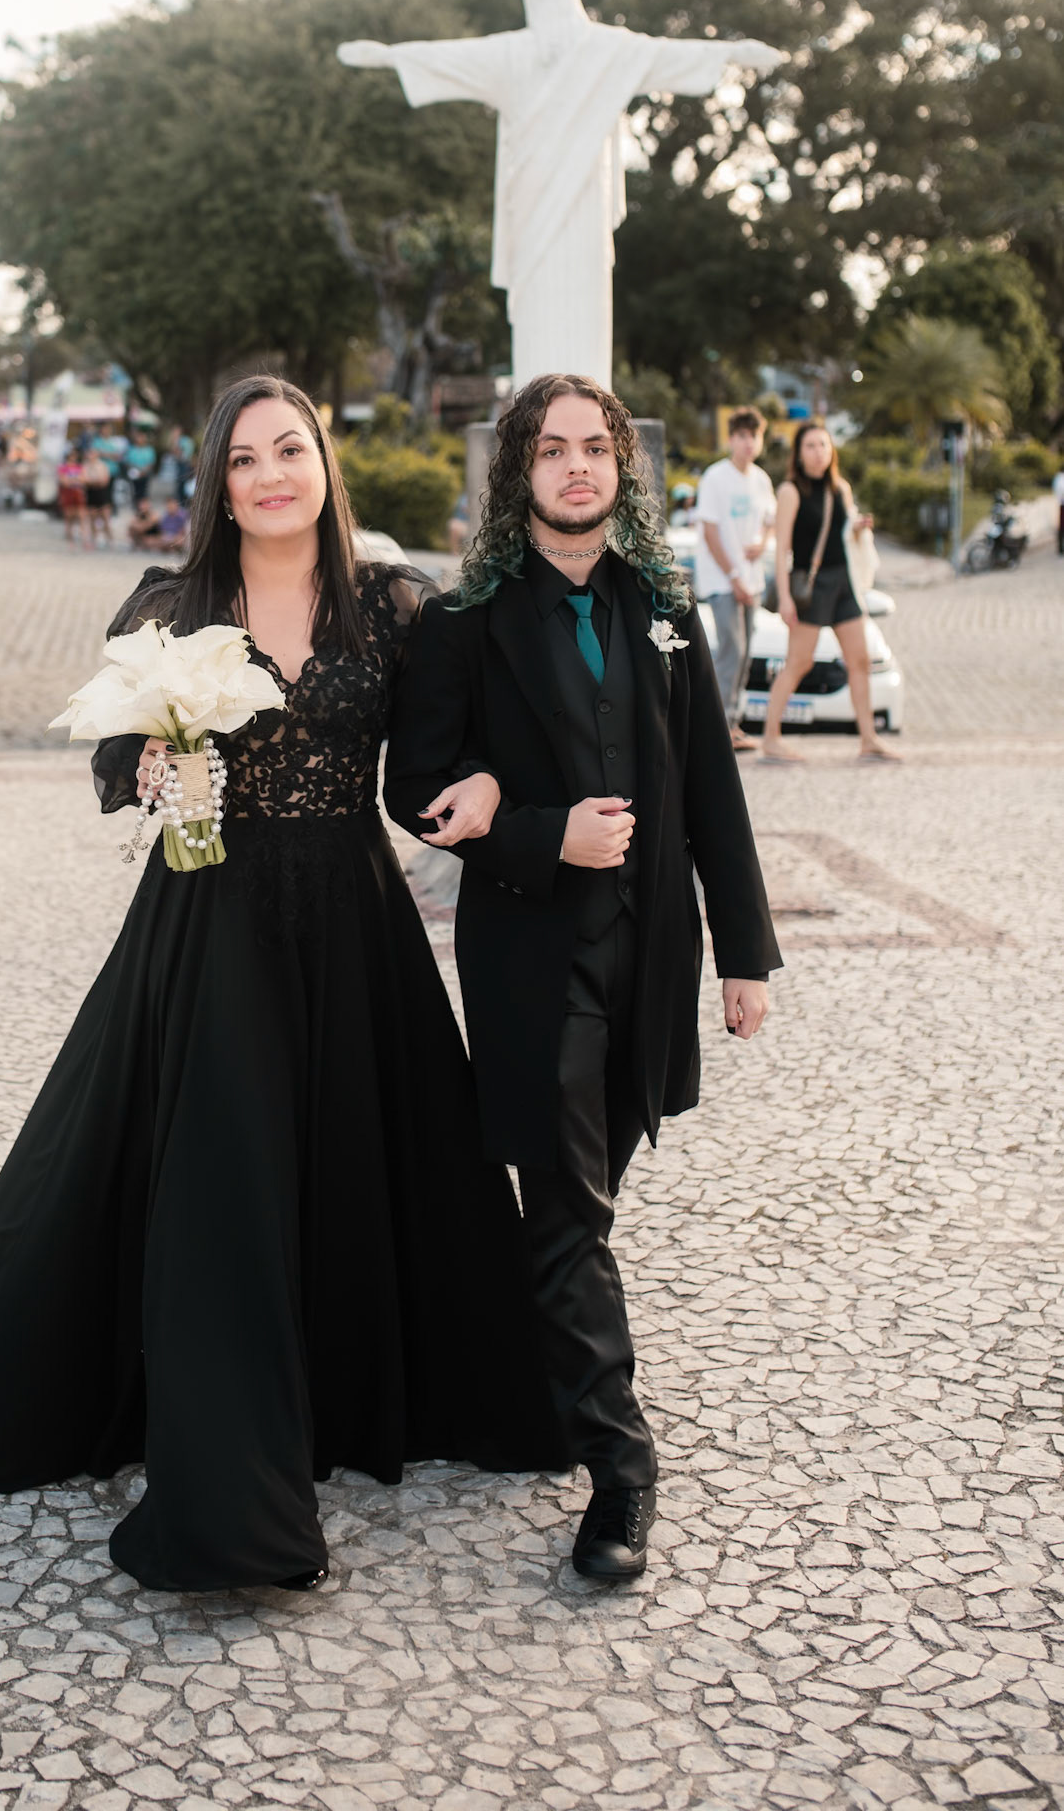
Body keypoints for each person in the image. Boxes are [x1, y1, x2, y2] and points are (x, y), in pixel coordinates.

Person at [0, 374, 567, 1594]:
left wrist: (499, 806)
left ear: (324, 462)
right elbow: (112, 757)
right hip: (208, 923)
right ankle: (229, 1490)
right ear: (216, 480)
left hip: (356, 927)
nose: (269, 473)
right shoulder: (173, 603)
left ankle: (368, 1386)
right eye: (244, 456)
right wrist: (154, 763)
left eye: (290, 448)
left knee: (376, 1160)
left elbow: (445, 756)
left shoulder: (392, 603)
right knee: (225, 1177)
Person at [385, 373, 781, 1586]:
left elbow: (711, 786)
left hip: (648, 960)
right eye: (550, 449)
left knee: (582, 1208)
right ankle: (621, 1468)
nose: (574, 467)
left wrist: (747, 947)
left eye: (592, 447)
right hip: (532, 966)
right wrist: (538, 834)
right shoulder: (465, 621)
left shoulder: (663, 610)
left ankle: (521, 1384)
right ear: (519, 474)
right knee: (563, 1212)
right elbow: (417, 790)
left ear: (620, 466)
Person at [760, 422, 898, 763]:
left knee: (860, 660)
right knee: (799, 662)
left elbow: (840, 535)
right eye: (810, 446)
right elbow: (783, 549)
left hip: (843, 584)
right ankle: (771, 738)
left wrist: (856, 527)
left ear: (831, 449)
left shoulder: (841, 489)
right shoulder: (791, 491)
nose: (818, 451)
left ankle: (868, 739)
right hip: (811, 585)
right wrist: (786, 597)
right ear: (799, 453)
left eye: (823, 444)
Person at [693, 408, 775, 754]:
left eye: (753, 436)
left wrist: (763, 541)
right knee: (732, 650)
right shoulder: (715, 478)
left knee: (744, 656)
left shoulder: (760, 479)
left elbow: (770, 518)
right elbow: (710, 532)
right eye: (742, 436)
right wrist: (733, 575)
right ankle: (718, 725)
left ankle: (734, 722)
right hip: (723, 581)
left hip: (752, 580)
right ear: (731, 439)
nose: (748, 443)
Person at [56, 444, 90, 548]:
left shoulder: (79, 467)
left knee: (81, 516)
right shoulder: (63, 467)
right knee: (69, 517)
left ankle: (84, 539)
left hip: (77, 493)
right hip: (68, 493)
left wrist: (72, 480)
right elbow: (64, 482)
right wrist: (76, 480)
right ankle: (70, 539)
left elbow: (84, 480)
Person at [82, 442, 114, 545]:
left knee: (106, 518)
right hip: (91, 493)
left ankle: (109, 539)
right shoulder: (85, 466)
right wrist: (95, 481)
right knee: (92, 518)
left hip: (102, 494)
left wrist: (92, 481)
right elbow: (84, 480)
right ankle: (94, 539)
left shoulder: (102, 465)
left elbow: (104, 480)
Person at [125, 433, 156, 506]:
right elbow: (129, 462)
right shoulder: (132, 449)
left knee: (144, 491)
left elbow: (151, 463)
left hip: (145, 473)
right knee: (135, 490)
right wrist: (137, 471)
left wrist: (144, 471)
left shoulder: (149, 450)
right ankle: (136, 505)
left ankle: (144, 506)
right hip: (135, 473)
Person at [1053, 463, 1064, 556]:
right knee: (1061, 527)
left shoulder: (1059, 478)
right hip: (1062, 504)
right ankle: (1060, 548)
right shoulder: (1060, 478)